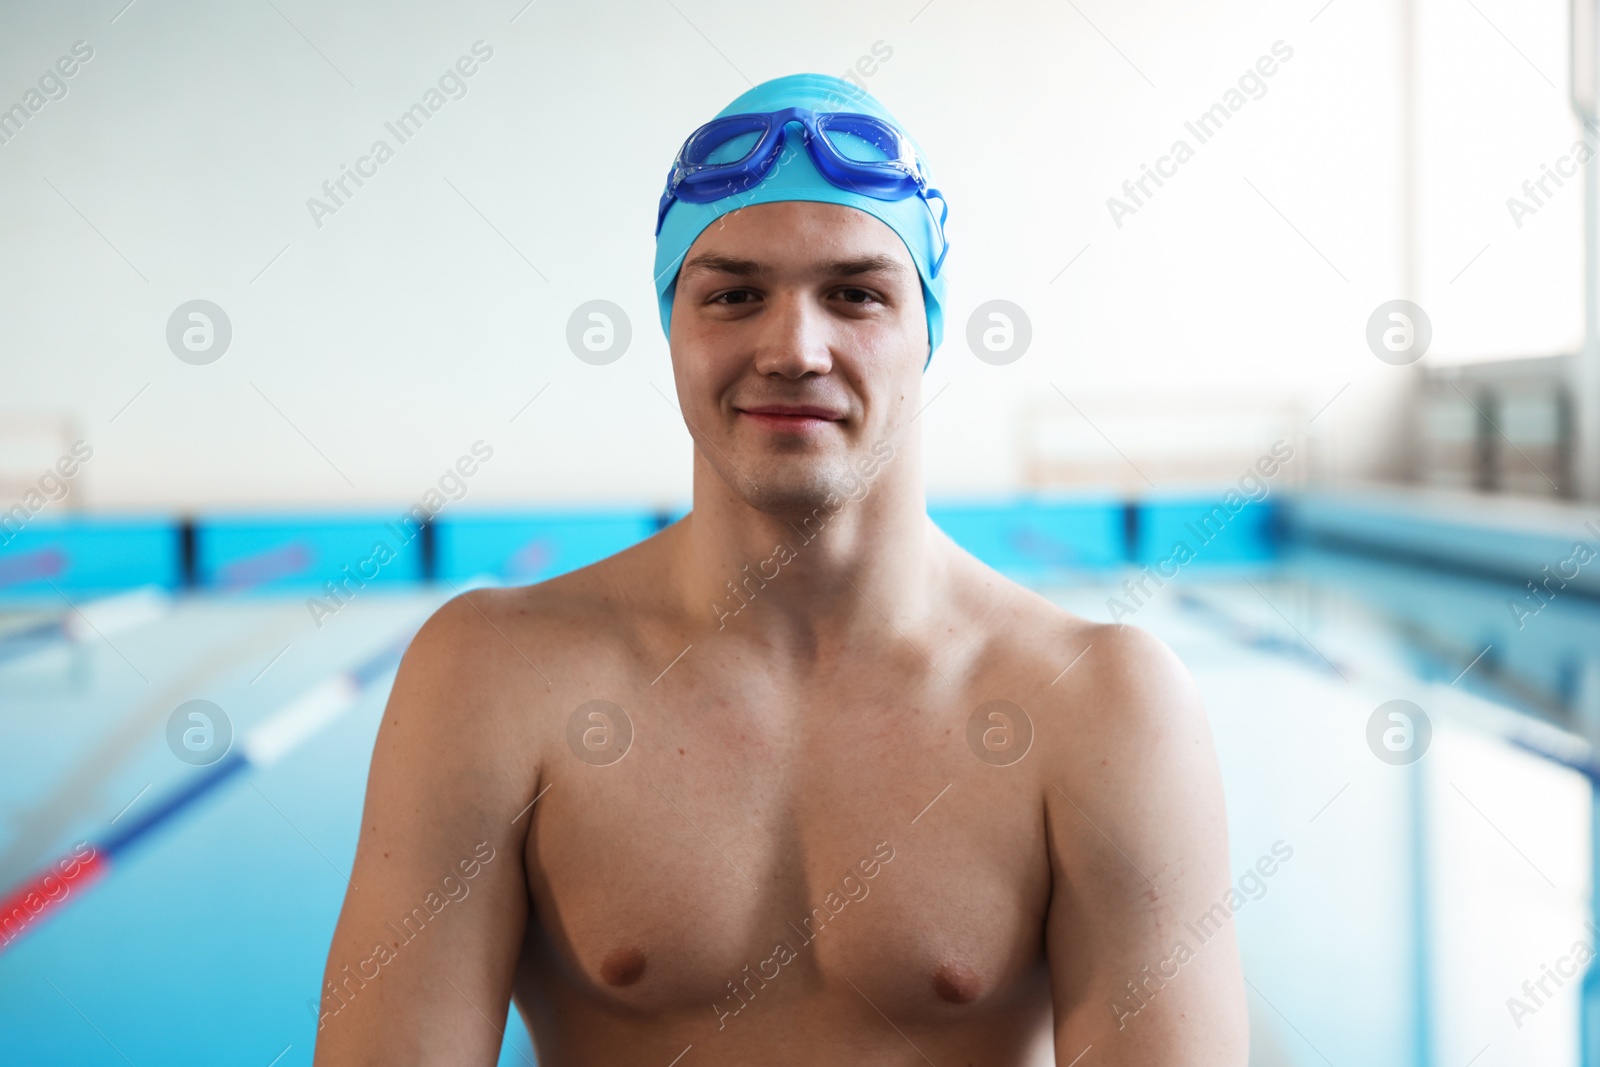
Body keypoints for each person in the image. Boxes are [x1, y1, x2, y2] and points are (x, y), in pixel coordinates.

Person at [314, 73, 1247, 1066]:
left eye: (855, 294)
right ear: (672, 326)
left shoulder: (1101, 705)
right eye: (733, 295)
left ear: (928, 326)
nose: (793, 347)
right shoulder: (490, 679)